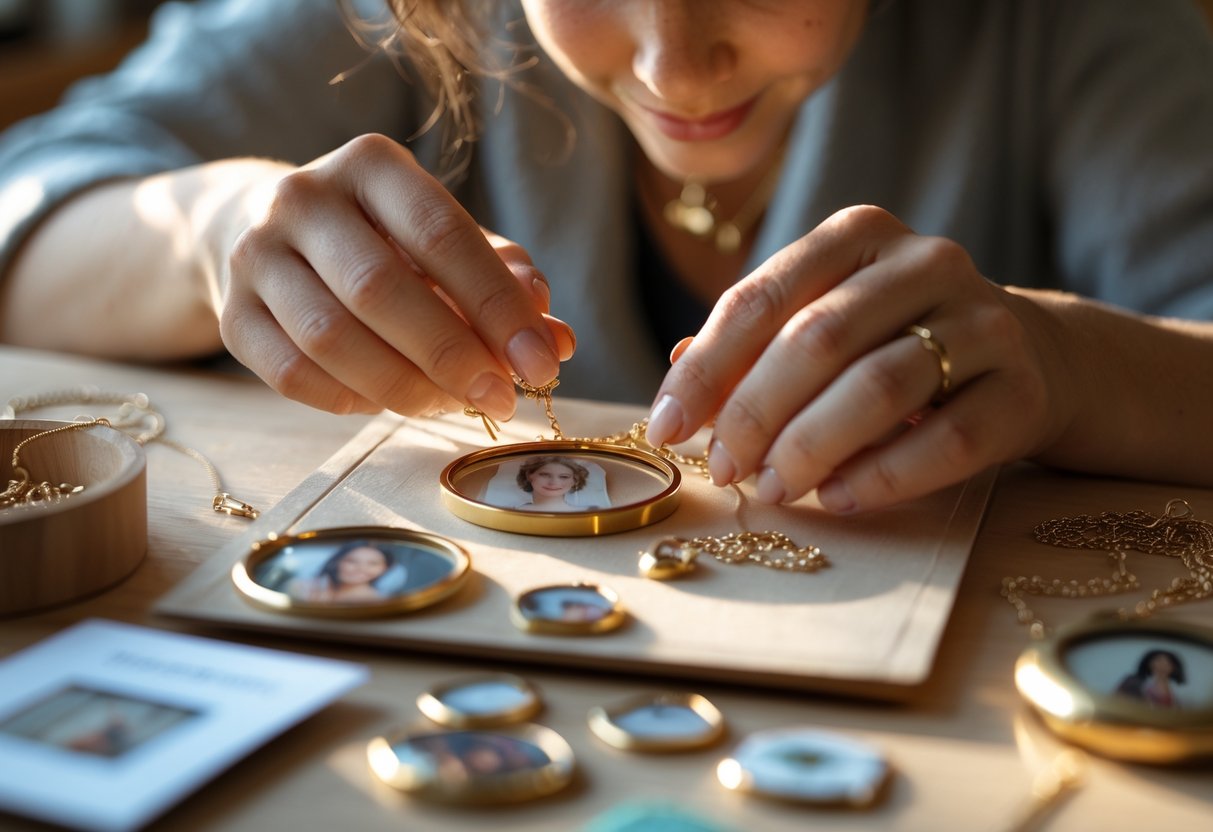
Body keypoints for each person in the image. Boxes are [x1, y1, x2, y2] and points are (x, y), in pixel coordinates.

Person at [1, 0, 1212, 516]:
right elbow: (28, 204)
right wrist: (210, 232)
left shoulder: (1069, 24)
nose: (674, 69)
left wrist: (1067, 361)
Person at [285, 541, 399, 603]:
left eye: (373, 564)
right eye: (352, 561)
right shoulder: (300, 586)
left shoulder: (378, 603)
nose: (360, 568)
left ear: (384, 569)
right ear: (338, 561)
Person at [514, 455, 596, 512]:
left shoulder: (589, 512)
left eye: (564, 477)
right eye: (545, 475)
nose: (553, 483)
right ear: (529, 475)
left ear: (575, 480)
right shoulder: (514, 512)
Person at [1115, 649, 1187, 709]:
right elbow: (1117, 701)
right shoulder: (1132, 682)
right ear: (1149, 663)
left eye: (1168, 662)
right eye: (1159, 661)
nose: (1163, 665)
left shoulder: (1181, 691)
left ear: (1174, 667)